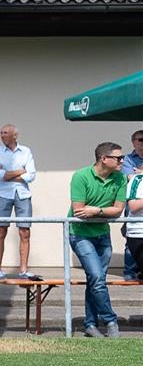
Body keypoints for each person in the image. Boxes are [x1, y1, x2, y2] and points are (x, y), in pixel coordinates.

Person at [67, 142, 127, 339]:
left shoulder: (119, 178)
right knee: (97, 279)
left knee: (95, 280)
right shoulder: (81, 176)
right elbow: (79, 210)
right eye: (118, 158)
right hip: (80, 234)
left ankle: (90, 324)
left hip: (102, 235)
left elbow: (118, 210)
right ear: (104, 159)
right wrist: (101, 211)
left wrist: (97, 210)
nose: (122, 161)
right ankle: (111, 321)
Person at [0, 124, 37, 280]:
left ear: (14, 135)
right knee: (1, 230)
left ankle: (23, 269)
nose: (2, 135)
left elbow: (31, 175)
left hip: (22, 194)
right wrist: (20, 171)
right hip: (3, 194)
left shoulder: (26, 151)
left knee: (25, 231)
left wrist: (8, 175)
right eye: (1, 132)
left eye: (5, 133)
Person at [121, 130, 143, 280]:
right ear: (133, 142)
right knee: (131, 241)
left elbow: (136, 175)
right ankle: (129, 272)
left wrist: (140, 172)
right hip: (134, 206)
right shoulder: (127, 159)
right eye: (140, 139)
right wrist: (137, 174)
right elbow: (130, 177)